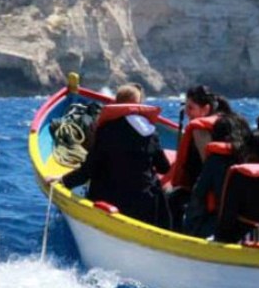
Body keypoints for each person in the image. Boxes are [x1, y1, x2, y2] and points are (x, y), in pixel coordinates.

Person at [48, 85, 172, 229]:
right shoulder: (151, 133)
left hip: (113, 202)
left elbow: (88, 171)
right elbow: (164, 167)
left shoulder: (106, 130)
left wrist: (62, 181)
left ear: (116, 104)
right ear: (138, 105)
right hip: (144, 205)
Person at [168, 85, 235, 230]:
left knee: (170, 202)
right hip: (229, 194)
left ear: (205, 109)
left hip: (205, 196)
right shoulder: (231, 123)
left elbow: (208, 167)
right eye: (185, 107)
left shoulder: (200, 130)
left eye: (190, 108)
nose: (186, 112)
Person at [183, 114, 250, 238]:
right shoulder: (254, 156)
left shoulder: (216, 160)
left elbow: (199, 194)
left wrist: (190, 229)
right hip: (252, 227)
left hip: (221, 225)